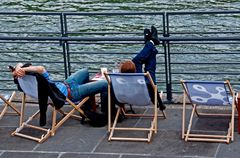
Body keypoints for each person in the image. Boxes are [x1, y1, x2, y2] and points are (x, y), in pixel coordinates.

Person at [12, 63, 109, 126]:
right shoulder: (40, 79)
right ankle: (106, 112)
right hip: (72, 94)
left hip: (66, 83)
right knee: (106, 84)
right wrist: (23, 69)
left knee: (85, 71)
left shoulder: (25, 82)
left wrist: (18, 67)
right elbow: (41, 68)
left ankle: (88, 106)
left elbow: (20, 64)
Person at [132, 25, 166, 110]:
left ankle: (150, 42)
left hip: (139, 88)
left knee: (140, 61)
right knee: (138, 62)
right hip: (145, 85)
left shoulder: (122, 80)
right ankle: (151, 42)